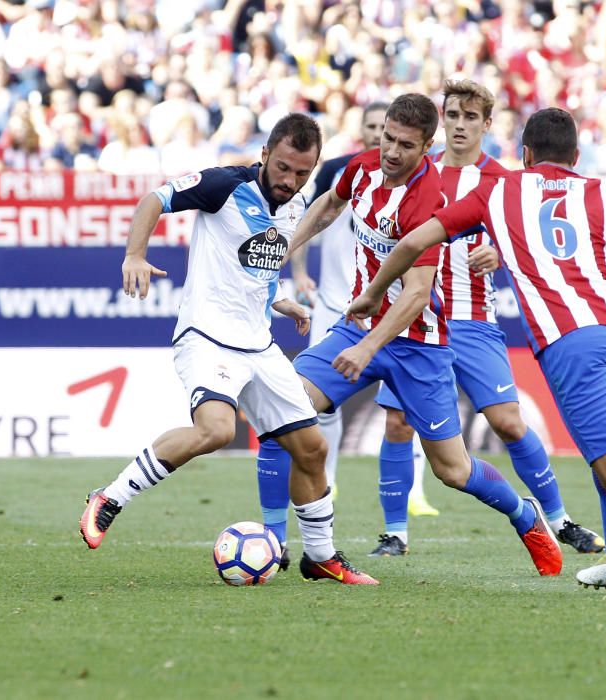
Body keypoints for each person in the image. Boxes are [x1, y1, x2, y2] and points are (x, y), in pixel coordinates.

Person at [346, 107, 606, 592]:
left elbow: (417, 240)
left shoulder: (498, 189)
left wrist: (376, 290)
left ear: (524, 154)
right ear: (577, 156)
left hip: (570, 339)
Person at [258, 93, 563, 578]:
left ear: (427, 149)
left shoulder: (427, 201)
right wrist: (280, 248)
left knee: (453, 471)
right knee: (284, 410)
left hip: (417, 345)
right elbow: (327, 206)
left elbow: (417, 295)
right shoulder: (362, 167)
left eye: (405, 145)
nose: (392, 152)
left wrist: (367, 346)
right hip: (356, 328)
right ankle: (276, 541)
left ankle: (525, 516)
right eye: (387, 139)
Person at [79, 113, 378, 585]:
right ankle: (110, 496)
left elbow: (257, 263)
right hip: (208, 337)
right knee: (217, 430)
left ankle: (319, 556)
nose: (290, 180)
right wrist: (134, 254)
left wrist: (281, 301)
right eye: (282, 167)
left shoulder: (294, 203)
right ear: (264, 155)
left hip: (259, 345)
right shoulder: (224, 186)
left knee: (312, 448)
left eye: (302, 173)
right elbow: (153, 199)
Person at [368, 79, 603, 558]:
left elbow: (535, 241)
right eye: (452, 115)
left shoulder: (505, 181)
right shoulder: (420, 173)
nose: (459, 126)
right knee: (397, 422)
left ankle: (560, 519)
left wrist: (500, 250)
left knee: (509, 422)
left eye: (470, 118)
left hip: (474, 319)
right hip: (417, 320)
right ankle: (395, 533)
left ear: (487, 125)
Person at [283, 101, 388, 498]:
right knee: (319, 403)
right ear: (361, 129)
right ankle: (327, 478)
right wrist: (299, 273)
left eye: (385, 126)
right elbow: (310, 218)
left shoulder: (415, 175)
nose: (379, 134)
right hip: (332, 305)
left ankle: (411, 497)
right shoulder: (338, 170)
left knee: (399, 413)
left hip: (386, 309)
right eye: (372, 125)